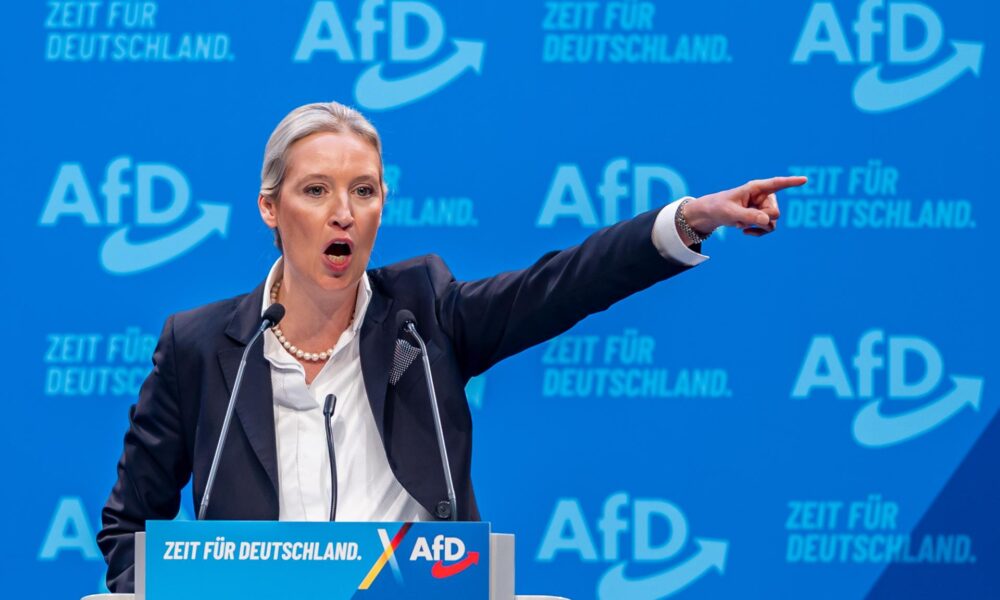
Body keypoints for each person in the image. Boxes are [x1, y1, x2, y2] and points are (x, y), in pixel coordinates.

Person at [97, 100, 806, 592]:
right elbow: (129, 526)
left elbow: (562, 285)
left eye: (364, 191)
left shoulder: (425, 314)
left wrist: (687, 221)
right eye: (316, 190)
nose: (344, 212)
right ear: (270, 207)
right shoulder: (202, 346)